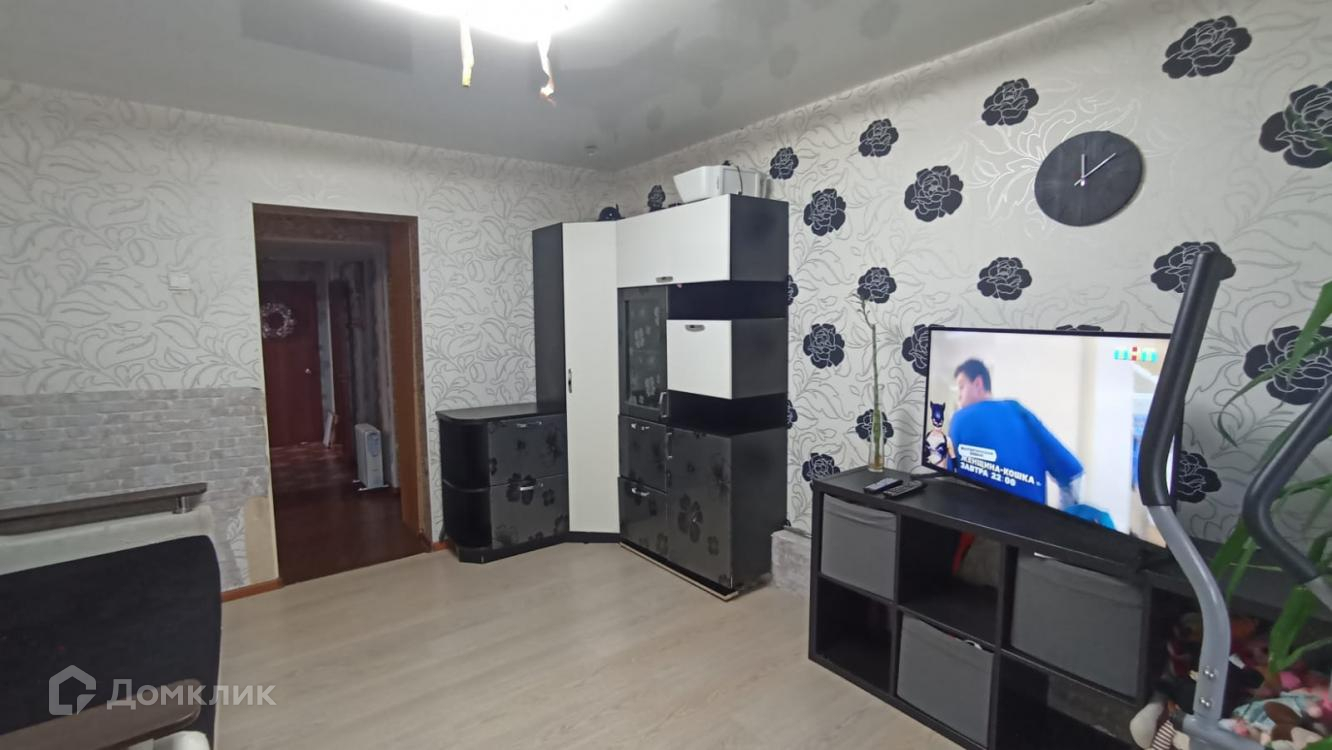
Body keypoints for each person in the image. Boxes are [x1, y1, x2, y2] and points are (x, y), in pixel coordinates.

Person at [949, 358, 1086, 509]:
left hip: (976, 520)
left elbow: (946, 482)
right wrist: (1058, 520)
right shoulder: (1018, 411)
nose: (959, 396)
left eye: (961, 387)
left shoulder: (959, 418)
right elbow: (1072, 473)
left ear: (978, 384)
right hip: (1032, 522)